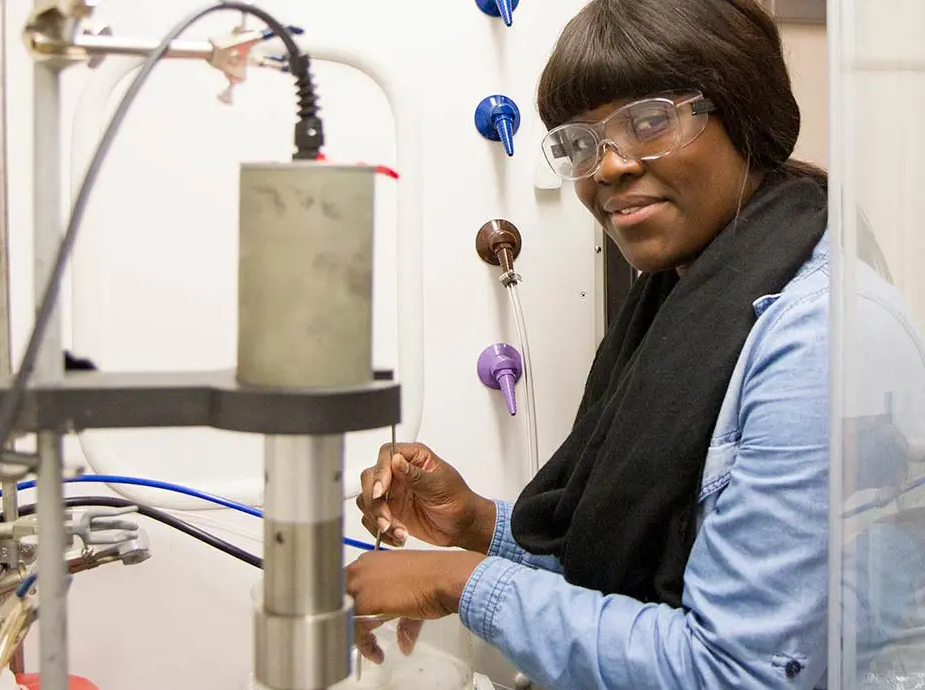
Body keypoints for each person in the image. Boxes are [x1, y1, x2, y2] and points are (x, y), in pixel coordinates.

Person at [344, 0, 920, 687]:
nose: (609, 167)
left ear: (744, 111)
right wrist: (474, 524)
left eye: (650, 122)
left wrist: (460, 583)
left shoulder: (818, 336)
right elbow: (621, 566)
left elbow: (736, 672)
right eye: (580, 142)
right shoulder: (681, 302)